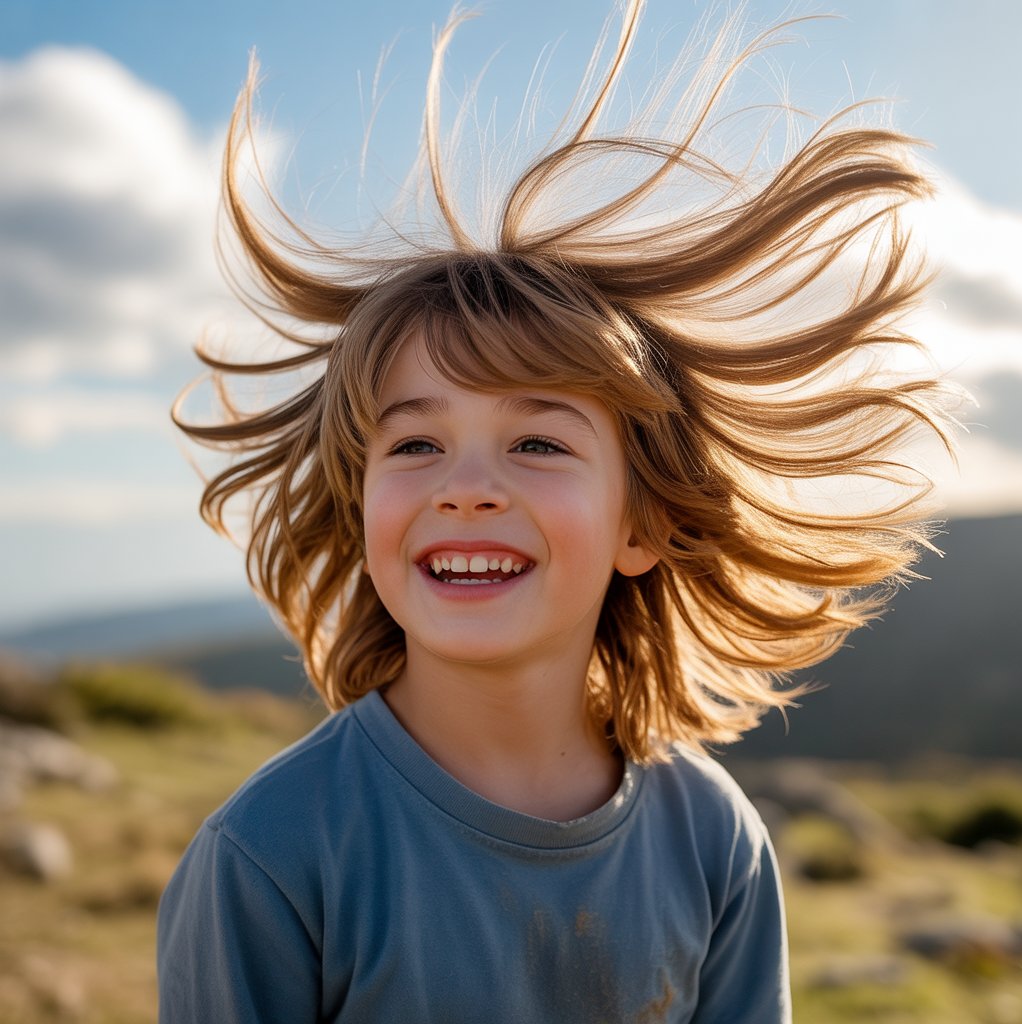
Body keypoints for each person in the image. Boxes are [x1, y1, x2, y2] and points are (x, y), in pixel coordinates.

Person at [157, 2, 958, 1020]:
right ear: (361, 506)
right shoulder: (271, 855)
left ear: (641, 526)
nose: (466, 485)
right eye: (414, 445)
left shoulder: (713, 841)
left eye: (537, 442)